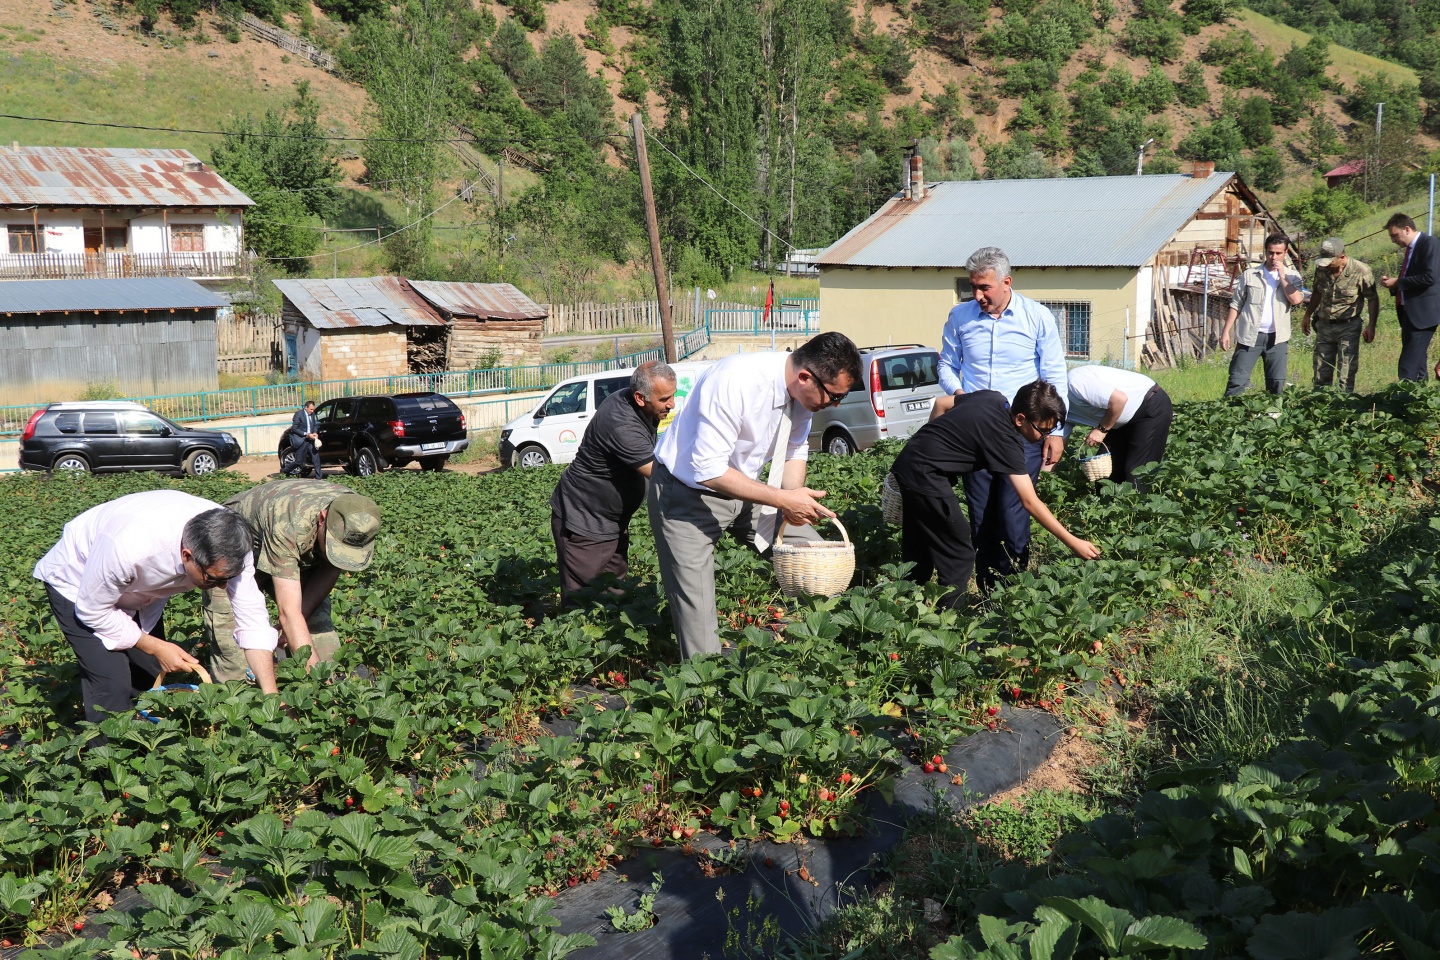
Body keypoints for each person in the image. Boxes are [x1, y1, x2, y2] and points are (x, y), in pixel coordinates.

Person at [648, 332, 862, 660]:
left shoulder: (804, 395)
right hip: (688, 495)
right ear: (806, 377)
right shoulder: (735, 381)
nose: (834, 406)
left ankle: (823, 656)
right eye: (834, 397)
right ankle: (704, 698)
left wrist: (794, 502)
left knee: (816, 559)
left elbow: (794, 449)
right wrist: (783, 500)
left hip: (749, 489)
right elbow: (709, 470)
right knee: (698, 617)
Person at [32, 490, 280, 729]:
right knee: (111, 681)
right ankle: (108, 763)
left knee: (151, 672)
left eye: (227, 578)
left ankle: (147, 747)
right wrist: (156, 646)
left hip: (137, 589)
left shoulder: (232, 546)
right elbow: (92, 609)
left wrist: (271, 698)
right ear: (187, 555)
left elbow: (253, 621)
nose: (223, 586)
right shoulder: (129, 546)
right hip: (79, 585)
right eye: (213, 579)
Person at [892, 381, 1100, 610]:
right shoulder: (1006, 440)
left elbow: (941, 403)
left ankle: (903, 606)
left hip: (909, 461)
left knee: (919, 544)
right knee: (959, 552)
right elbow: (1029, 501)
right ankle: (948, 621)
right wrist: (1073, 542)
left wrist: (931, 444)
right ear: (1020, 419)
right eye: (1042, 430)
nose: (1044, 437)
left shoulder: (993, 398)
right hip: (925, 475)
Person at [938, 246, 1068, 591]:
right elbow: (947, 366)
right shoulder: (960, 317)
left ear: (1006, 282)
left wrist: (1057, 432)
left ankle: (1015, 589)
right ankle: (987, 589)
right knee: (981, 514)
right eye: (973, 288)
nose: (977, 295)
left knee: (1013, 512)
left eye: (985, 288)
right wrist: (960, 395)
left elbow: (1054, 374)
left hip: (1021, 432)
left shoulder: (1037, 317)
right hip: (976, 432)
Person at [203, 479, 382, 681]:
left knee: (321, 636)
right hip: (231, 552)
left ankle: (328, 698)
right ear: (323, 518)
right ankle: (238, 700)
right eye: (334, 545)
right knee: (233, 648)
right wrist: (316, 679)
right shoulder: (289, 522)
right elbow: (288, 612)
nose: (338, 554)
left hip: (293, 552)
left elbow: (331, 567)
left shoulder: (356, 515)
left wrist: (297, 623)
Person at [550, 361, 677, 601]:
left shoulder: (637, 403)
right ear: (640, 397)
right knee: (584, 601)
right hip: (586, 522)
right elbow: (663, 477)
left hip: (611, 521)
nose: (672, 404)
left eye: (672, 396)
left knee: (616, 592)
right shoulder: (621, 423)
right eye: (664, 399)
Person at [1063, 364, 1173, 491]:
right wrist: (1042, 478)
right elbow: (1056, 447)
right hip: (1117, 420)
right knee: (1106, 476)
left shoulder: (1074, 382)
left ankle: (1140, 509)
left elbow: (1119, 399)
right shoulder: (1057, 411)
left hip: (1149, 406)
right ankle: (1106, 509)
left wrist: (1101, 430)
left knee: (1137, 472)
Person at [1220, 234, 1305, 396]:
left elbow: (1296, 300)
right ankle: (1229, 416)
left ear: (1285, 252)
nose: (1274, 257)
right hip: (1250, 337)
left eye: (1278, 253)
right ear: (1265, 252)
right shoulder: (1250, 275)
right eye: (1270, 252)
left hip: (1277, 339)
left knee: (1276, 384)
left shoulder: (1293, 276)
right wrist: (1226, 332)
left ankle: (1272, 418)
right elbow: (1236, 304)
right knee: (1237, 382)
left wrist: (1282, 276)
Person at [1301, 237, 1380, 392]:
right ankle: (1320, 409)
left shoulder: (1361, 271)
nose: (1327, 265)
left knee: (1346, 374)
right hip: (1324, 326)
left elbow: (1372, 299)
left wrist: (1371, 326)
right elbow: (1317, 291)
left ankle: (1344, 409)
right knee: (1320, 373)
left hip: (1348, 327)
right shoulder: (1322, 269)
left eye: (1330, 261)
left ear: (1342, 257)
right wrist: (1307, 314)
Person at [1378, 213, 1440, 382]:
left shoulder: (1429, 244)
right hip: (1408, 312)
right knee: (1417, 361)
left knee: (1408, 365)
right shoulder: (1410, 250)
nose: (1393, 240)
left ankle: (1404, 400)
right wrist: (1394, 285)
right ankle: (1419, 400)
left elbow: (1430, 277)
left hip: (1423, 313)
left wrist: (1398, 282)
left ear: (1406, 229)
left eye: (1394, 235)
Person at [284, 400, 323, 478]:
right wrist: (306, 434)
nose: (312, 411)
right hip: (301, 440)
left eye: (313, 409)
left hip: (311, 440)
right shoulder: (298, 414)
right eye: (311, 409)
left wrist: (315, 432)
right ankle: (285, 471)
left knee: (316, 458)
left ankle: (319, 478)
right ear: (306, 407)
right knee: (299, 461)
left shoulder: (312, 414)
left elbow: (314, 425)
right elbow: (294, 429)